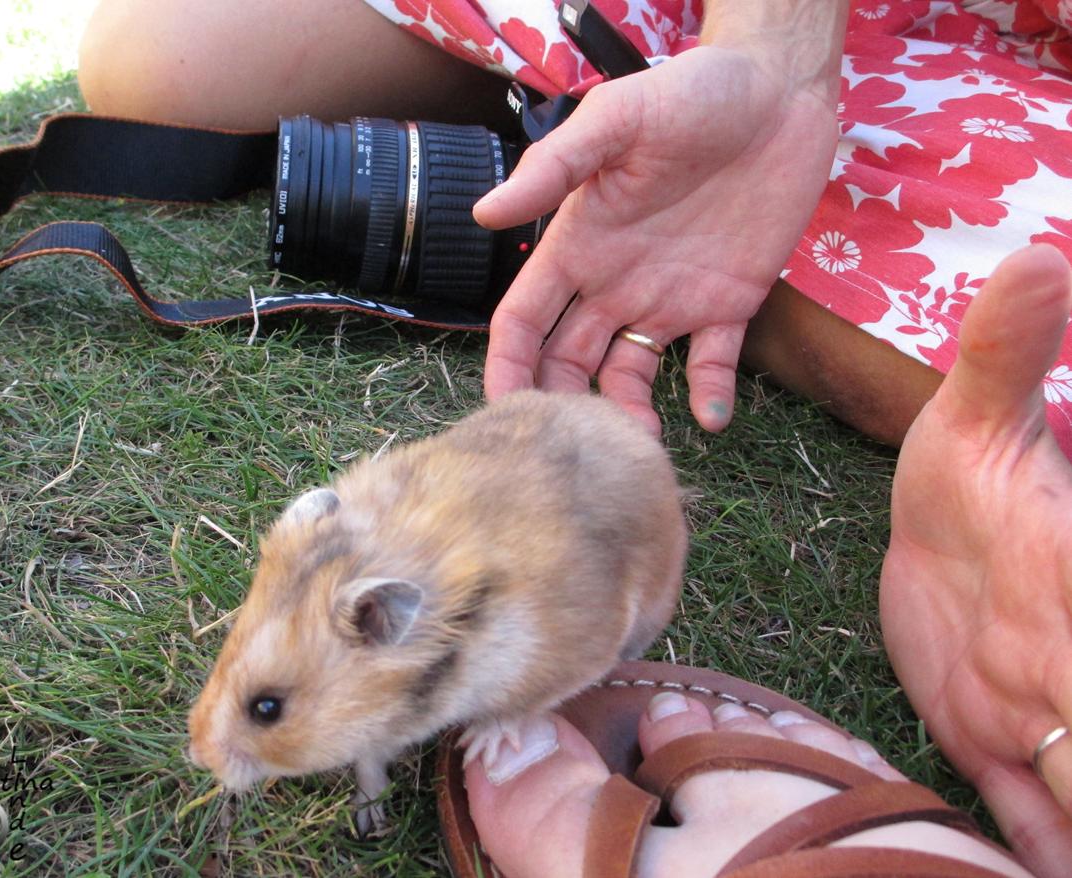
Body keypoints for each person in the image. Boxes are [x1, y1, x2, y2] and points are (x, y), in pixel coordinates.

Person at [77, 1, 1072, 874]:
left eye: (261, 710)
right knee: (152, 65)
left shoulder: (448, 621)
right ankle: (603, 119)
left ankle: (614, 141)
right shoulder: (384, 579)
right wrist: (776, 54)